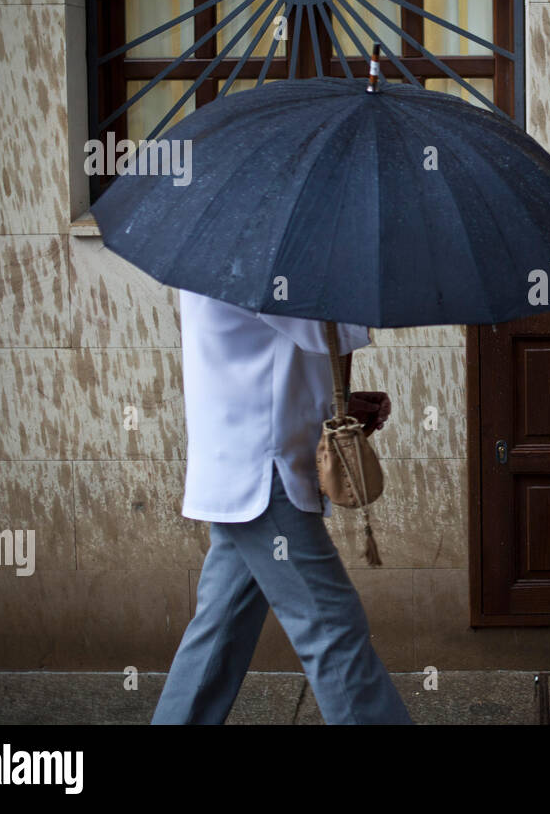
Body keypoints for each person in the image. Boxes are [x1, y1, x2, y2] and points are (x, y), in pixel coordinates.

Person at [152, 289, 412, 725]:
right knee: (332, 627)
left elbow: (274, 348)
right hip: (263, 472)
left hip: (250, 465)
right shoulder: (249, 244)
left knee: (221, 631)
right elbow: (318, 327)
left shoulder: (243, 239)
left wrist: (336, 402)